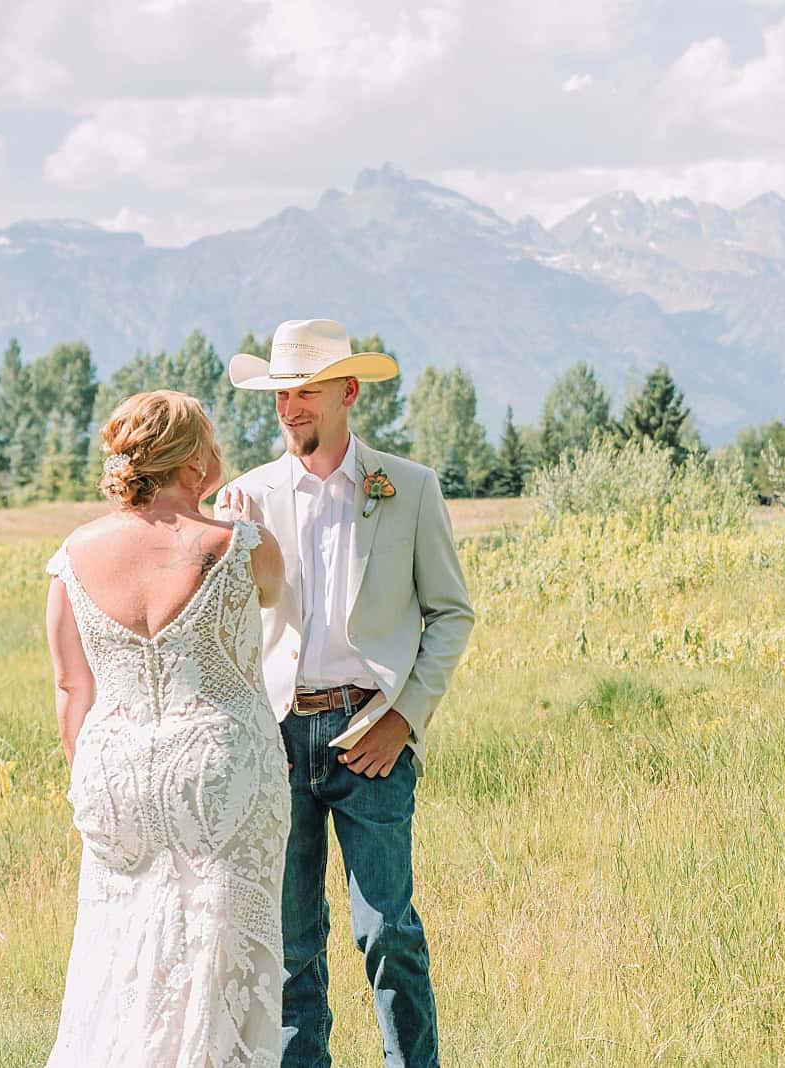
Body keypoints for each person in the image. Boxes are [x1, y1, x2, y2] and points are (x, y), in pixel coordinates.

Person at [217, 319, 474, 1067]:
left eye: (304, 392)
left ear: (348, 393)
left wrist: (403, 716)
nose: (288, 408)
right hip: (278, 742)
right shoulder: (245, 499)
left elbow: (451, 613)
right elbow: (225, 633)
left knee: (388, 930)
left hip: (372, 738)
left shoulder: (409, 487)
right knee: (292, 947)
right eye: (279, 395)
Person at [43, 389, 290, 1067]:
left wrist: (91, 781)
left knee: (116, 954)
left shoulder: (74, 554)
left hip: (113, 771)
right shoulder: (235, 544)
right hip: (221, 772)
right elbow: (275, 590)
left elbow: (72, 685)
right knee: (217, 953)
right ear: (197, 459)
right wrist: (233, 519)